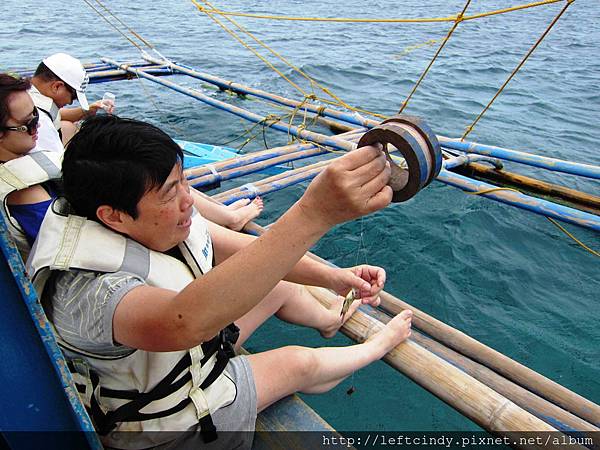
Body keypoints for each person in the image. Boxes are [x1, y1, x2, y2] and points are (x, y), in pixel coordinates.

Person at [28, 115, 413, 450]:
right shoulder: (90, 292)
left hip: (179, 360)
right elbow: (182, 323)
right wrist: (316, 213)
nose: (188, 202)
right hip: (167, 424)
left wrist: (333, 277)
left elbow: (245, 249)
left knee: (273, 283)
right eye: (169, 193)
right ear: (114, 217)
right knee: (296, 361)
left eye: (184, 183)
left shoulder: (143, 215)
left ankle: (328, 320)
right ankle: (378, 346)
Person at [0, 74, 61, 259]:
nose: (38, 124)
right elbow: (65, 248)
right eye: (29, 123)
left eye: (36, 114)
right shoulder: (26, 194)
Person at [29, 52, 112, 152]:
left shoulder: (26, 94)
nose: (70, 102)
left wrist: (87, 110)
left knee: (67, 126)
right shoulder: (41, 122)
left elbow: (57, 114)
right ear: (57, 87)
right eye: (73, 97)